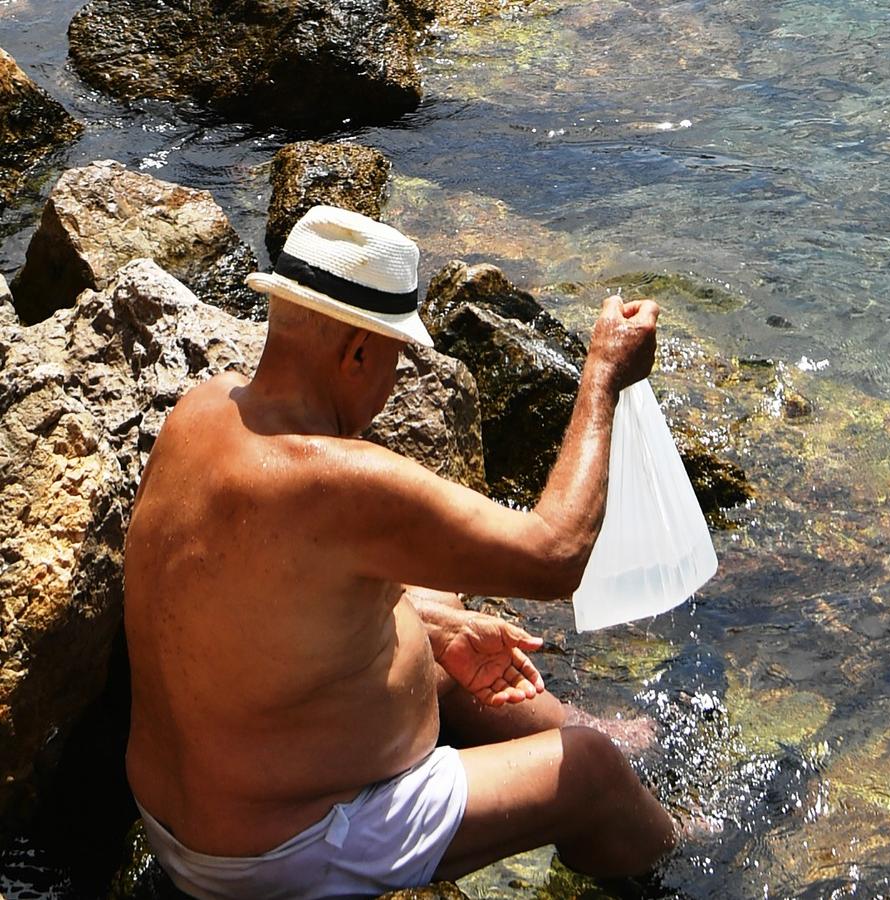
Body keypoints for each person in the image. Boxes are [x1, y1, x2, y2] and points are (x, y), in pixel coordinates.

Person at [122, 205, 677, 898]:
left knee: (433, 606)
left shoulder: (199, 413)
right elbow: (554, 554)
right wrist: (602, 378)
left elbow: (264, 592)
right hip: (279, 853)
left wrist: (435, 626)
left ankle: (585, 727)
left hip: (183, 820)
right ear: (357, 353)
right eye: (393, 355)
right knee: (590, 770)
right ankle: (685, 850)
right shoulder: (340, 482)